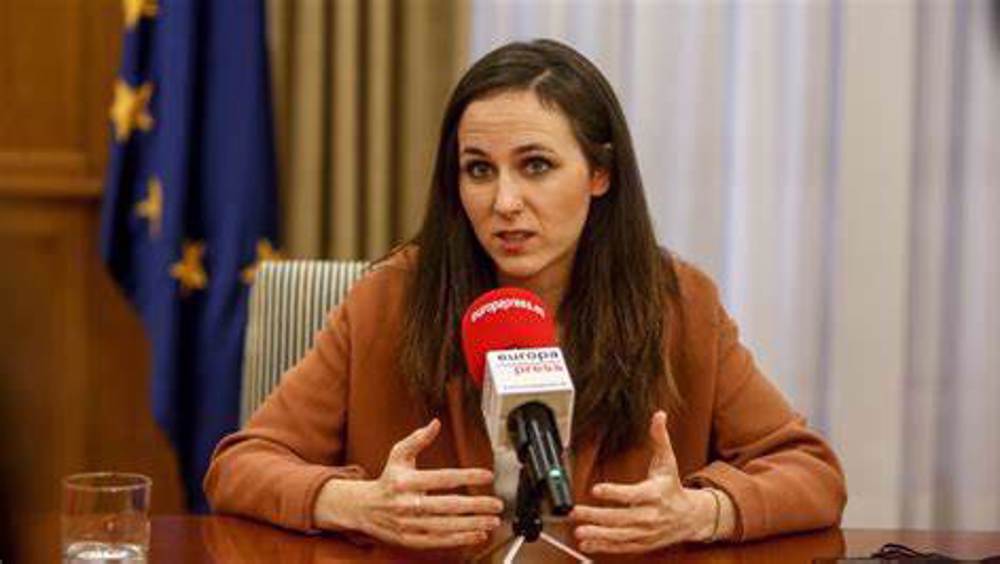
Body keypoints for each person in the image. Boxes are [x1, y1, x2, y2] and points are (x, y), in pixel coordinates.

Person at [204, 39, 846, 555]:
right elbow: (240, 466)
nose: (504, 202)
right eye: (479, 169)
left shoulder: (678, 304)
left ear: (600, 173)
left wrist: (702, 513)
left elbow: (811, 473)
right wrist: (355, 503)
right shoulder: (390, 298)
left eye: (536, 165)